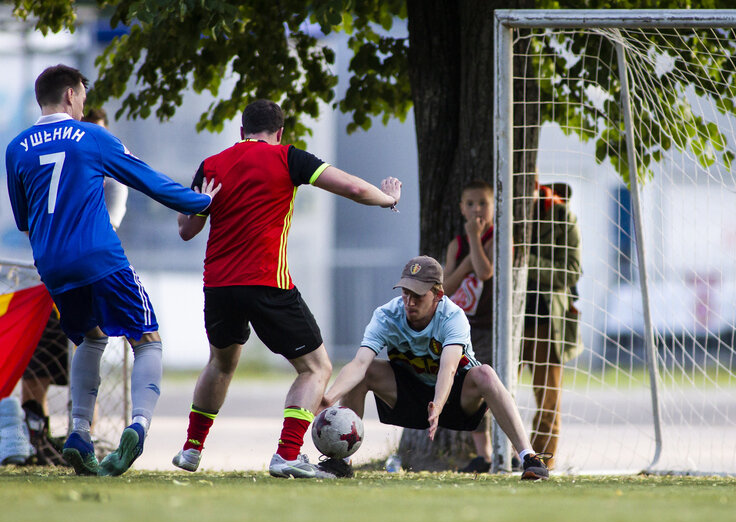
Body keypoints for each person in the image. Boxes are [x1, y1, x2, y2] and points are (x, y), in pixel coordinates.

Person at [5, 64, 221, 476]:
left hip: (51, 265)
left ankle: (79, 433)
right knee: (148, 339)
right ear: (70, 94)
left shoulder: (16, 147)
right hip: (98, 256)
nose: (84, 103)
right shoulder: (91, 137)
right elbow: (148, 180)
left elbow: (23, 219)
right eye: (83, 95)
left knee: (90, 337)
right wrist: (200, 202)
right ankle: (138, 426)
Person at [171, 99, 401, 479]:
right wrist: (388, 198)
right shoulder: (288, 157)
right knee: (316, 367)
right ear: (280, 133)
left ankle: (192, 450)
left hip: (219, 286)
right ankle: (287, 454)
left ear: (241, 132)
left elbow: (186, 229)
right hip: (266, 282)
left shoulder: (212, 164)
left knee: (221, 363)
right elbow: (354, 189)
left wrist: (202, 204)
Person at [318, 255, 551, 480]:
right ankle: (342, 460)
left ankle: (529, 457)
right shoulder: (386, 315)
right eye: (405, 293)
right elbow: (359, 363)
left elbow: (449, 368)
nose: (409, 302)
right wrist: (329, 398)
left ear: (438, 294)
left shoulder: (453, 317)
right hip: (409, 395)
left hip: (453, 400)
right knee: (366, 371)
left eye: (417, 295)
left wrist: (437, 404)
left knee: (486, 374)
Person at [19, 107, 129, 467]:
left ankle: (81, 439)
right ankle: (36, 436)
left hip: (90, 275)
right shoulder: (51, 162)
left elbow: (109, 221)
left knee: (88, 351)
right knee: (38, 360)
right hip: (52, 279)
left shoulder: (109, 175)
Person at [521, 172, 583, 469]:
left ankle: (541, 464)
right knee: (487, 392)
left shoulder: (561, 214)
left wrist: (523, 261)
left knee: (548, 402)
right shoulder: (500, 213)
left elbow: (571, 271)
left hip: (548, 318)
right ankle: (491, 456)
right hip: (506, 319)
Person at [442, 180, 497, 473]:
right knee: (469, 386)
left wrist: (475, 239)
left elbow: (485, 271)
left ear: (493, 207)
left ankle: (506, 449)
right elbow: (445, 288)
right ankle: (483, 453)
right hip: (464, 327)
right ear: (462, 208)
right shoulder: (456, 244)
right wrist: (464, 264)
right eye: (471, 204)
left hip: (490, 326)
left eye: (483, 203)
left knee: (492, 386)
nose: (477, 209)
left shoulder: (495, 237)